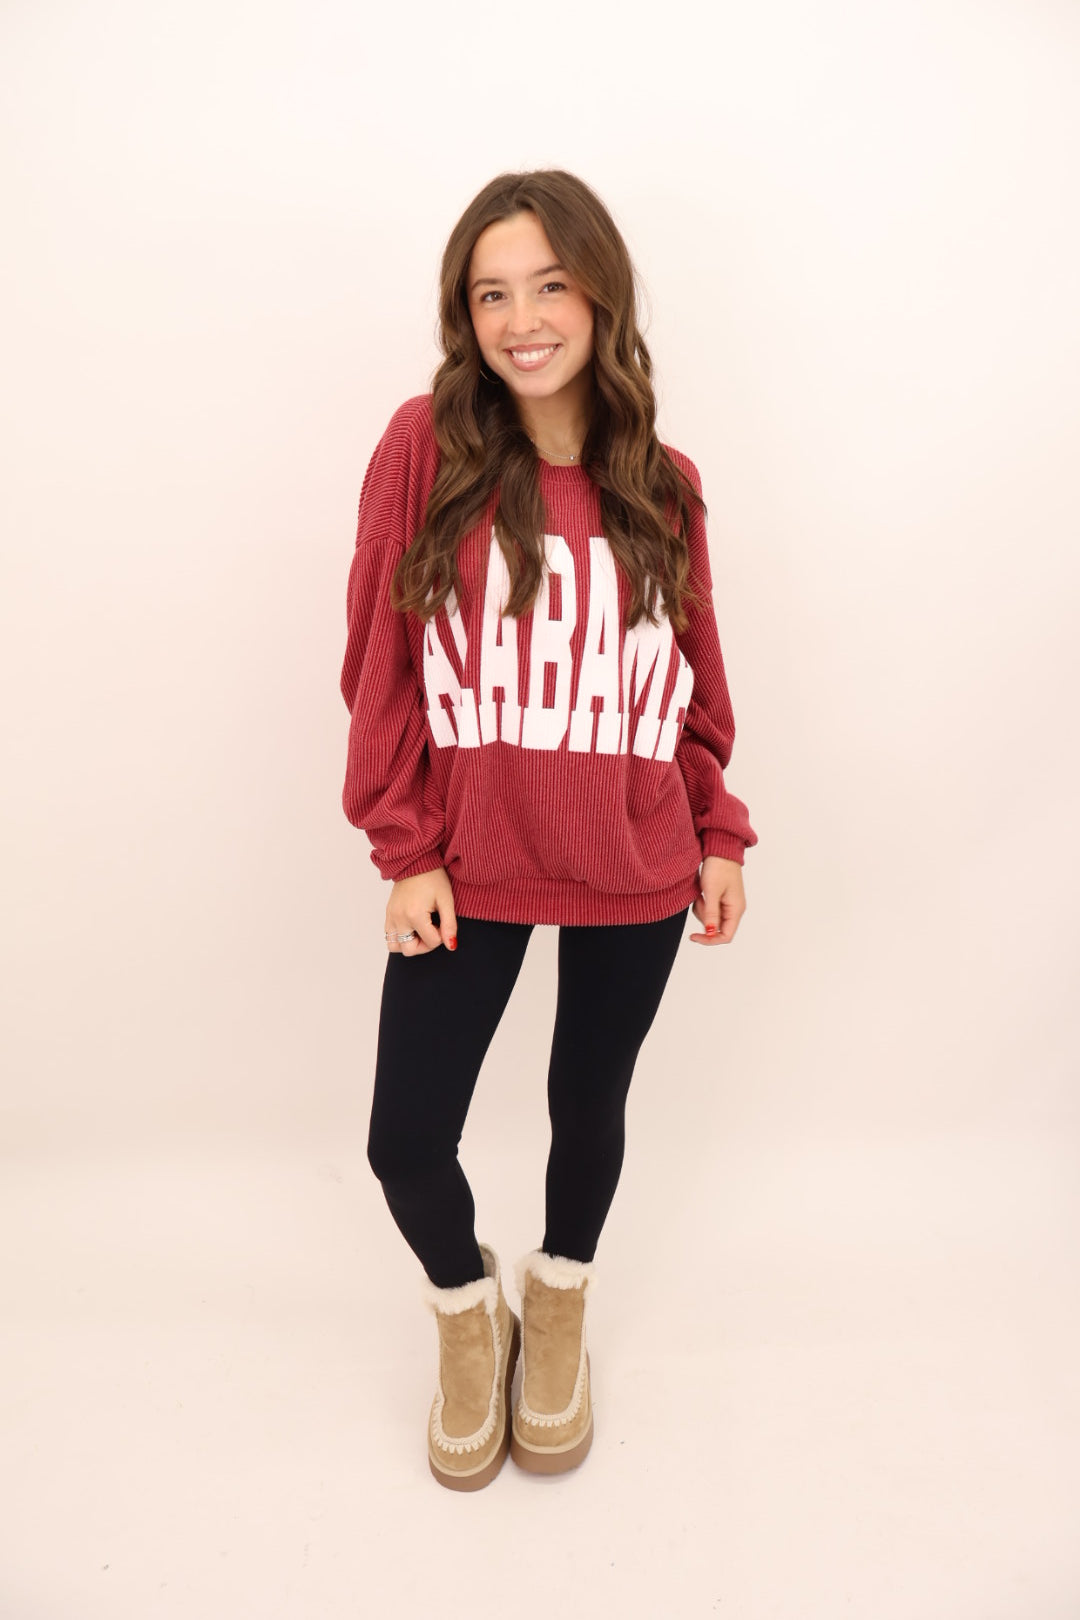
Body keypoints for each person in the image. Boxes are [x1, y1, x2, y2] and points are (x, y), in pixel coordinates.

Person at [338, 169, 759, 1492]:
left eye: (551, 286)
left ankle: (559, 1299)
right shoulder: (426, 449)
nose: (522, 320)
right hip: (470, 861)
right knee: (406, 1139)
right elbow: (378, 665)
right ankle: (469, 1314)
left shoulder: (665, 483)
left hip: (637, 856)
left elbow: (687, 675)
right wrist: (405, 847)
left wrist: (719, 827)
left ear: (600, 296)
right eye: (492, 294)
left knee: (589, 1101)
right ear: (465, 315)